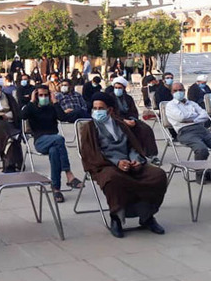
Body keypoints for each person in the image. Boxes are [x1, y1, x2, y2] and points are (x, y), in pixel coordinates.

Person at [79, 92, 167, 238]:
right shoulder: (90, 128)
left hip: (129, 162)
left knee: (158, 175)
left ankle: (147, 216)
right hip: (105, 165)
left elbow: (132, 145)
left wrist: (135, 160)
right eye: (95, 108)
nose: (97, 111)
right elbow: (91, 153)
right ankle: (116, 218)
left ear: (110, 110)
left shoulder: (120, 124)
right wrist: (117, 162)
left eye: (101, 108)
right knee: (112, 178)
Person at [165, 82, 211, 184]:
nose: (178, 92)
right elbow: (180, 117)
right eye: (175, 90)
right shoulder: (170, 105)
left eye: (180, 90)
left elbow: (205, 115)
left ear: (184, 91)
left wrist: (192, 119)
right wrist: (195, 115)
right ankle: (200, 174)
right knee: (202, 150)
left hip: (202, 130)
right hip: (185, 132)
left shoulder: (192, 103)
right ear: (171, 92)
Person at [22, 85, 82, 203]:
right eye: (41, 95)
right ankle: (68, 173)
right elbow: (22, 116)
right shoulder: (32, 108)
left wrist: (55, 103)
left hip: (54, 143)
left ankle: (56, 189)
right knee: (59, 139)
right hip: (40, 141)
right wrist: (31, 101)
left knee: (54, 152)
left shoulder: (51, 108)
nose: (43, 97)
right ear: (36, 96)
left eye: (46, 95)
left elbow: (63, 117)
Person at [107, 77, 159, 161]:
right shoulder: (110, 98)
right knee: (128, 131)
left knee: (146, 129)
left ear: (123, 88)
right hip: (117, 120)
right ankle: (135, 153)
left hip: (130, 119)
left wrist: (133, 120)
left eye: (119, 88)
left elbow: (134, 111)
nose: (117, 90)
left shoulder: (128, 98)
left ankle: (151, 154)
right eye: (116, 88)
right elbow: (111, 113)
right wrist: (124, 120)